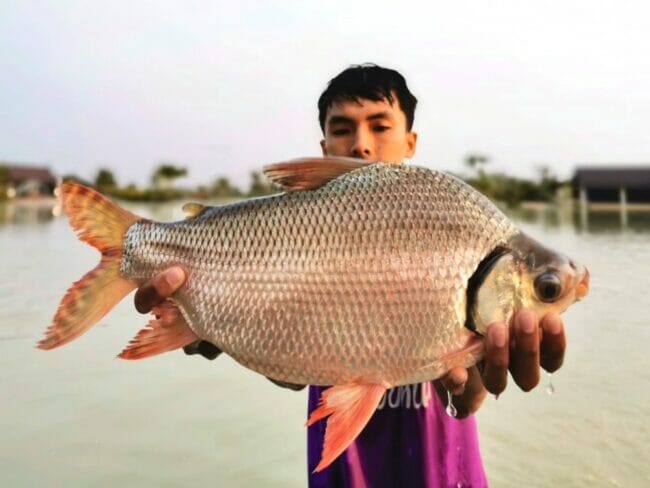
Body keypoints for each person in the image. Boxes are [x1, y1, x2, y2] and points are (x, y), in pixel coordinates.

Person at [133, 64, 567, 487]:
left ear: (410, 141)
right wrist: (212, 323)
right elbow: (290, 371)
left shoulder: (451, 227)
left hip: (440, 475)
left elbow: (467, 398)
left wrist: (471, 376)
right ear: (324, 148)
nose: (361, 144)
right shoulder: (307, 231)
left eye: (380, 126)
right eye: (342, 129)